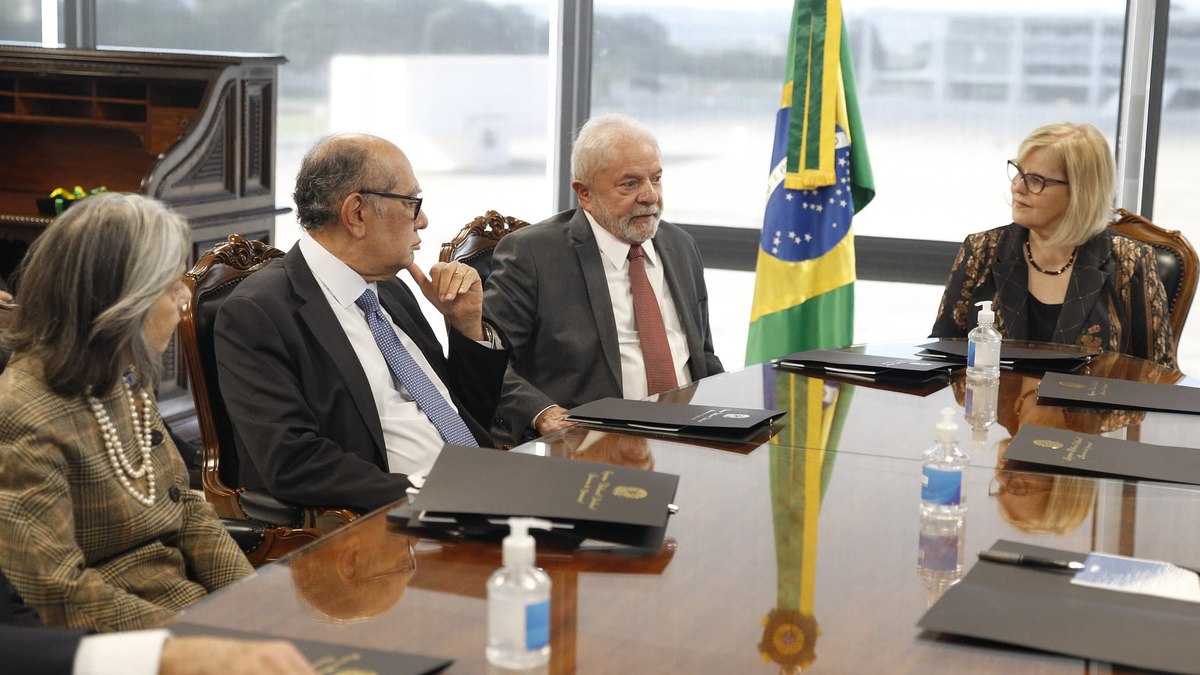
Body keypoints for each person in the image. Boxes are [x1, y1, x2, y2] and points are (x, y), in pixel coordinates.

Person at [215, 133, 508, 514]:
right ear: (356, 214)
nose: (422, 220)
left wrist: (467, 325)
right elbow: (293, 462)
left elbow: (466, 415)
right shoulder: (259, 313)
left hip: (483, 486)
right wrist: (429, 494)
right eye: (411, 203)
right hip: (395, 520)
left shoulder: (391, 291)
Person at [0, 193, 252, 632]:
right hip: (125, 641)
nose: (183, 301)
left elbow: (188, 510)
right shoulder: (22, 416)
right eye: (170, 286)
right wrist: (197, 640)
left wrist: (252, 603)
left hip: (192, 614)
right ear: (118, 300)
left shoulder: (121, 374)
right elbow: (57, 594)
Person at [484, 114, 724, 445]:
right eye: (630, 183)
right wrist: (544, 412)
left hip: (691, 434)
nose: (650, 196)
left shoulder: (680, 246)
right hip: (591, 442)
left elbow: (704, 355)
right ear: (584, 193)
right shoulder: (532, 255)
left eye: (656, 179)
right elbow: (489, 367)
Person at [930, 122, 1176, 368]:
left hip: (1090, 407)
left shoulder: (1128, 261)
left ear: (1080, 192)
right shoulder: (982, 249)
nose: (1017, 187)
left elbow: (1160, 375)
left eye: (1035, 180)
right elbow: (940, 354)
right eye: (1018, 172)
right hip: (995, 404)